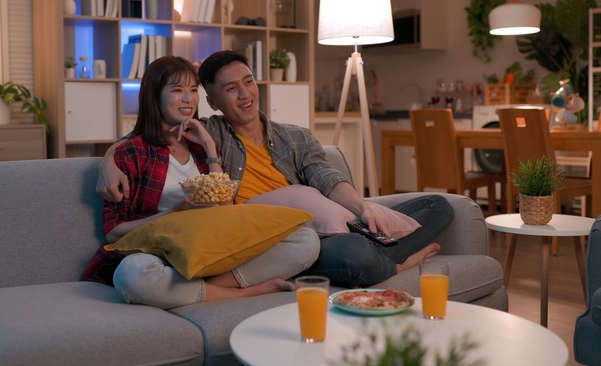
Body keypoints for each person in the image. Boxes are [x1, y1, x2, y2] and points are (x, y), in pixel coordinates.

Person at [97, 50, 454, 288]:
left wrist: (362, 208)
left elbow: (326, 179)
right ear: (213, 101)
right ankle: (397, 263)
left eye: (248, 82)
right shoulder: (209, 133)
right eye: (230, 89)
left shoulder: (295, 138)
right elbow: (152, 132)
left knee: (439, 205)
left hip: (328, 222)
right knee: (355, 254)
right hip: (290, 239)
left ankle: (382, 254)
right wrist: (109, 158)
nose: (244, 94)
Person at [82, 55, 319, 308]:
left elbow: (225, 206)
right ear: (155, 96)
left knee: (305, 240)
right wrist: (176, 212)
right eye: (177, 90)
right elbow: (113, 233)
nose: (188, 99)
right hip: (158, 255)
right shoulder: (131, 153)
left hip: (211, 250)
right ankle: (243, 292)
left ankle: (196, 289)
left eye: (193, 90)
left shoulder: (202, 144)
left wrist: (208, 146)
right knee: (132, 275)